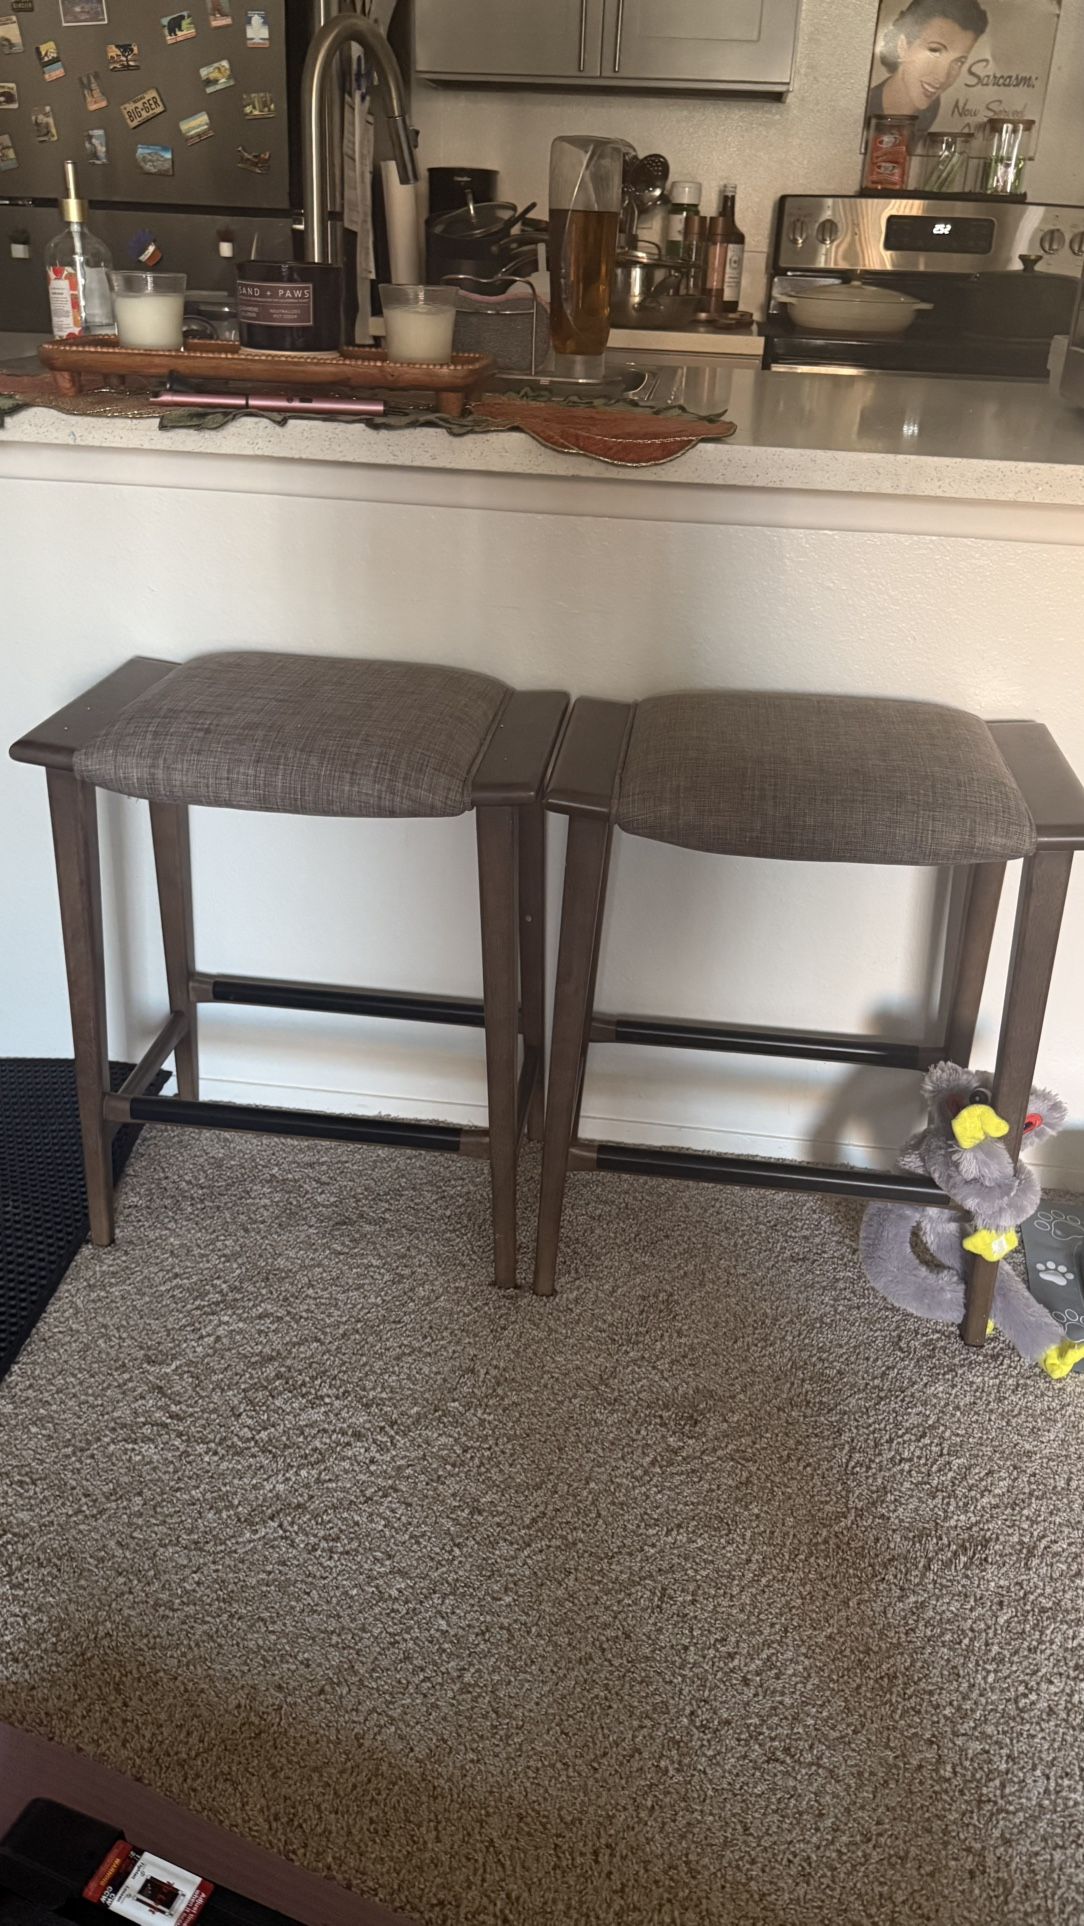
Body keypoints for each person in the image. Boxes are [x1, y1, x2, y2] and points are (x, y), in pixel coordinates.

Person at [867, 0, 989, 136]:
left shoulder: (930, 107)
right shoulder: (867, 108)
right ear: (903, 45)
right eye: (935, 51)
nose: (942, 77)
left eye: (958, 62)